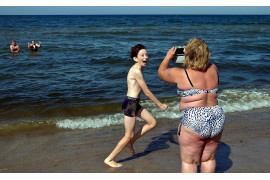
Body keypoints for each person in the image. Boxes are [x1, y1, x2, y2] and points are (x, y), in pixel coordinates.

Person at [158, 38, 225, 173]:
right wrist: (192, 53)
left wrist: (169, 56)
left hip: (195, 119)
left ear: (189, 55)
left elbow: (162, 72)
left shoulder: (181, 74)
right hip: (217, 116)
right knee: (208, 159)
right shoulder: (214, 68)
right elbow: (199, 64)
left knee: (190, 162)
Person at [104, 44, 168, 168]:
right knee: (128, 135)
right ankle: (109, 159)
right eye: (142, 55)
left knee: (152, 123)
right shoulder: (136, 71)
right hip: (130, 104)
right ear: (135, 58)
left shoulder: (140, 68)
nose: (146, 57)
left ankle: (131, 141)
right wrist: (160, 105)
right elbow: (147, 92)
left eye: (146, 54)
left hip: (135, 103)